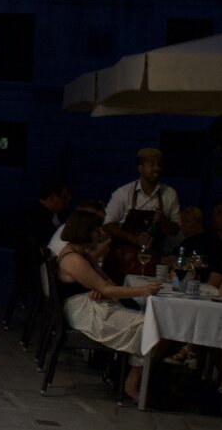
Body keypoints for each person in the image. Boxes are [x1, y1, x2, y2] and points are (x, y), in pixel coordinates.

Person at [55, 209, 163, 401]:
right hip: (83, 311)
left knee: (149, 323)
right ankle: (131, 383)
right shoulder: (73, 258)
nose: (101, 233)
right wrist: (144, 290)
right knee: (148, 326)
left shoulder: (84, 255)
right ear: (85, 231)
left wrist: (100, 288)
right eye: (97, 229)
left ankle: (129, 377)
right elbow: (108, 289)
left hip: (92, 303)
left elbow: (107, 284)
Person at [102, 147, 180, 277]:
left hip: (152, 262)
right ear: (140, 168)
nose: (157, 169)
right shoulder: (123, 193)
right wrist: (134, 239)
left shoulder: (169, 194)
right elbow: (108, 225)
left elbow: (175, 230)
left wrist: (163, 220)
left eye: (159, 165)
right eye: (151, 165)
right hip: (121, 262)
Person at [4, 177, 71, 327]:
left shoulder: (37, 213)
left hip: (29, 266)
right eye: (64, 199)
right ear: (53, 197)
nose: (66, 204)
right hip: (35, 268)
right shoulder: (39, 216)